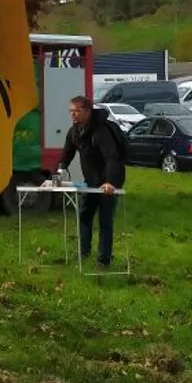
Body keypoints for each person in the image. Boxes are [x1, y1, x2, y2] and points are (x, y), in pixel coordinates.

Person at [55, 97, 125, 268]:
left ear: (87, 111)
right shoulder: (74, 131)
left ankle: (103, 260)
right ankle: (83, 254)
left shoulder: (101, 131)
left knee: (105, 221)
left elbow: (112, 158)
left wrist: (110, 182)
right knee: (84, 216)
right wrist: (57, 174)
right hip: (91, 181)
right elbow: (66, 154)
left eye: (77, 111)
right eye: (71, 111)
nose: (73, 114)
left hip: (109, 182)